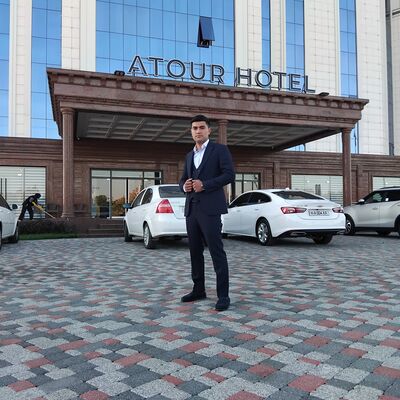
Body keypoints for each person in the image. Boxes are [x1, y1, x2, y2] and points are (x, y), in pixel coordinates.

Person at [179, 115, 235, 311]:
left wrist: (206, 185)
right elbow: (183, 179)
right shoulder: (189, 155)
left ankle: (223, 295)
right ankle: (198, 290)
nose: (198, 131)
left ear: (209, 130)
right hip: (191, 209)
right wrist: (184, 186)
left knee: (216, 251)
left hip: (210, 210)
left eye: (201, 127)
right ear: (191, 131)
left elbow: (229, 175)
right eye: (194, 128)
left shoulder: (219, 150)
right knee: (195, 252)